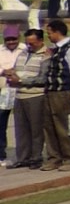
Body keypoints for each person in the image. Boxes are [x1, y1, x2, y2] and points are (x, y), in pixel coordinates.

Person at [38, 20, 70, 171]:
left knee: (63, 127)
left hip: (63, 93)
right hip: (50, 92)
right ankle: (54, 158)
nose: (48, 36)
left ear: (57, 32)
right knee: (49, 126)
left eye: (50, 33)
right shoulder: (54, 49)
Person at [3, 29, 43, 169]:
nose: (29, 46)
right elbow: (16, 70)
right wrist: (10, 75)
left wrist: (20, 81)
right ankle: (23, 157)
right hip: (19, 96)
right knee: (21, 129)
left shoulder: (45, 56)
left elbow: (42, 78)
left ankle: (36, 158)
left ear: (40, 41)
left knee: (36, 129)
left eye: (32, 43)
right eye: (27, 43)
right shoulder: (23, 53)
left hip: (35, 96)